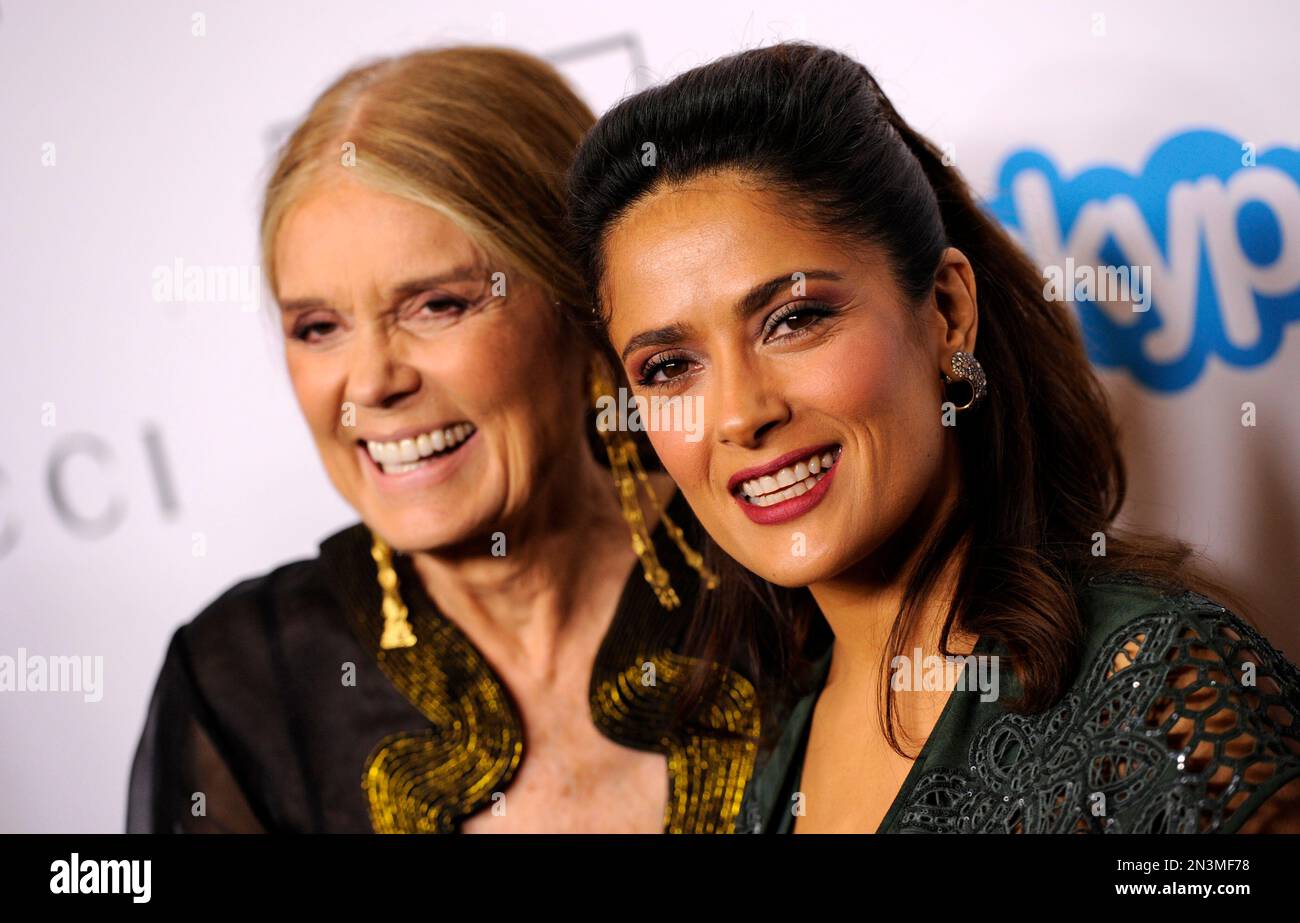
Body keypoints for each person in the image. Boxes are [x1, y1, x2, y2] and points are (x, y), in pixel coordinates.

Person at [567, 41, 1300, 833]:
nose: (741, 414)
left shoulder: (1161, 689)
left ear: (946, 311)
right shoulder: (768, 745)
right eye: (671, 366)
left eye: (795, 319)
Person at [127, 46, 761, 834]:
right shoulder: (245, 677)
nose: (370, 383)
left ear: (580, 306)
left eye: (436, 306)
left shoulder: (769, 570)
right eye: (318, 327)